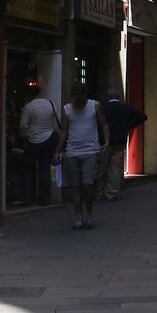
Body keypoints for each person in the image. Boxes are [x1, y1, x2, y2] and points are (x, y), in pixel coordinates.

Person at [54, 82, 110, 229]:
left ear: (86, 94)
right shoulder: (67, 109)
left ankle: (89, 214)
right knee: (75, 186)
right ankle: (78, 217)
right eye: (75, 96)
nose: (77, 100)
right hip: (72, 151)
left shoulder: (95, 106)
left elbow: (104, 124)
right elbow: (64, 131)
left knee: (87, 184)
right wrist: (57, 151)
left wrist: (106, 141)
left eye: (80, 96)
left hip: (90, 151)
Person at [96, 89, 147, 200]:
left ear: (107, 97)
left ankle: (99, 192)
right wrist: (129, 126)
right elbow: (143, 116)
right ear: (118, 97)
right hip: (120, 140)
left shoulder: (103, 108)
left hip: (104, 141)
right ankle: (111, 193)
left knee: (101, 167)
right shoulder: (125, 108)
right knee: (115, 168)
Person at [18, 81, 60, 207]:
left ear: (27, 94)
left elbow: (23, 126)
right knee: (44, 168)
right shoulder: (50, 103)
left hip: (33, 140)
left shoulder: (28, 107)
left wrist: (25, 135)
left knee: (27, 169)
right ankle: (44, 199)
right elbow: (56, 124)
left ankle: (27, 198)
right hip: (49, 138)